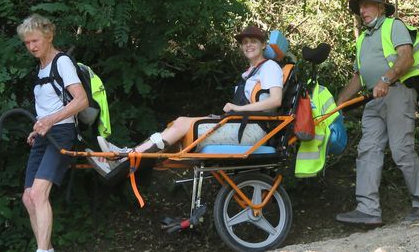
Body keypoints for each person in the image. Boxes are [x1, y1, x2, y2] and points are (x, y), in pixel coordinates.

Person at [87, 25, 283, 181]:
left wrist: (238, 108)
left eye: (253, 41)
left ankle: (125, 157)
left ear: (263, 45)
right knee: (179, 121)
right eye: (245, 42)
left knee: (185, 124)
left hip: (253, 131)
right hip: (239, 125)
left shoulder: (270, 67)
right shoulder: (249, 73)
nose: (248, 45)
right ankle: (126, 156)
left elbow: (275, 100)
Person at [335, 0, 419, 225]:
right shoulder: (362, 39)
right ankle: (368, 209)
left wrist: (385, 79)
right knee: (368, 149)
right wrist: (339, 103)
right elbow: (359, 78)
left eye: (367, 5)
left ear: (380, 7)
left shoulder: (393, 26)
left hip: (397, 92)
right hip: (373, 99)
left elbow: (406, 58)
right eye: (360, 7)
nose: (362, 10)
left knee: (401, 149)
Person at [13, 14, 89, 252]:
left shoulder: (62, 62)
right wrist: (38, 126)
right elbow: (47, 108)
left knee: (38, 193)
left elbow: (81, 101)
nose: (31, 46)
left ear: (49, 36)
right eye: (27, 43)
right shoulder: (42, 69)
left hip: (62, 134)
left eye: (35, 40)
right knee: (28, 197)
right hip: (45, 135)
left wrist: (50, 121)